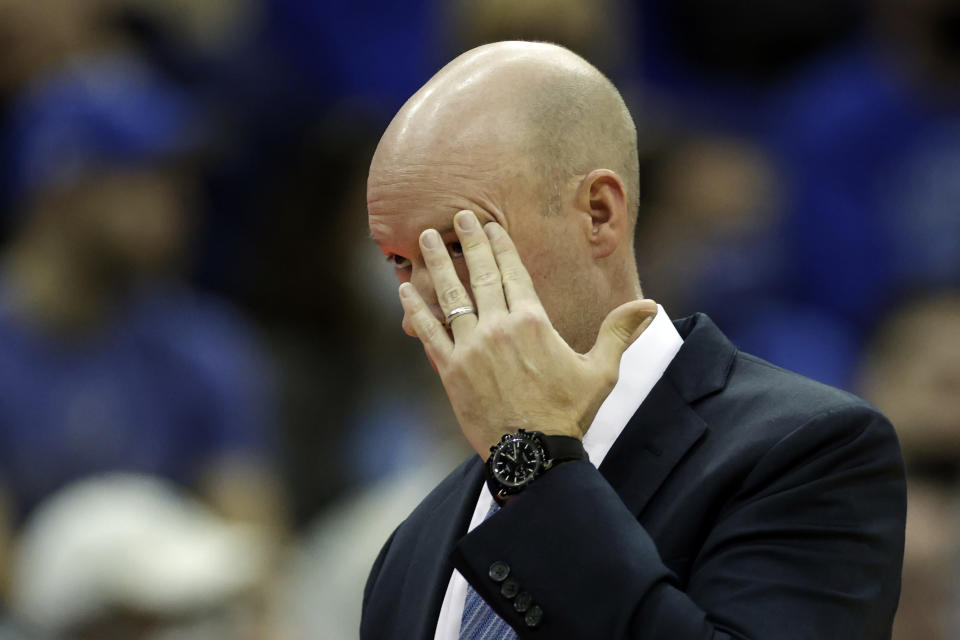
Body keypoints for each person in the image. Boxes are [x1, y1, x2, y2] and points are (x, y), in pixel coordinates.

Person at [361, 41, 905, 639]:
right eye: (400, 262)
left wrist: (532, 464)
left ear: (599, 214)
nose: (425, 311)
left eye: (459, 246)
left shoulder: (808, 453)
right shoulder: (412, 546)